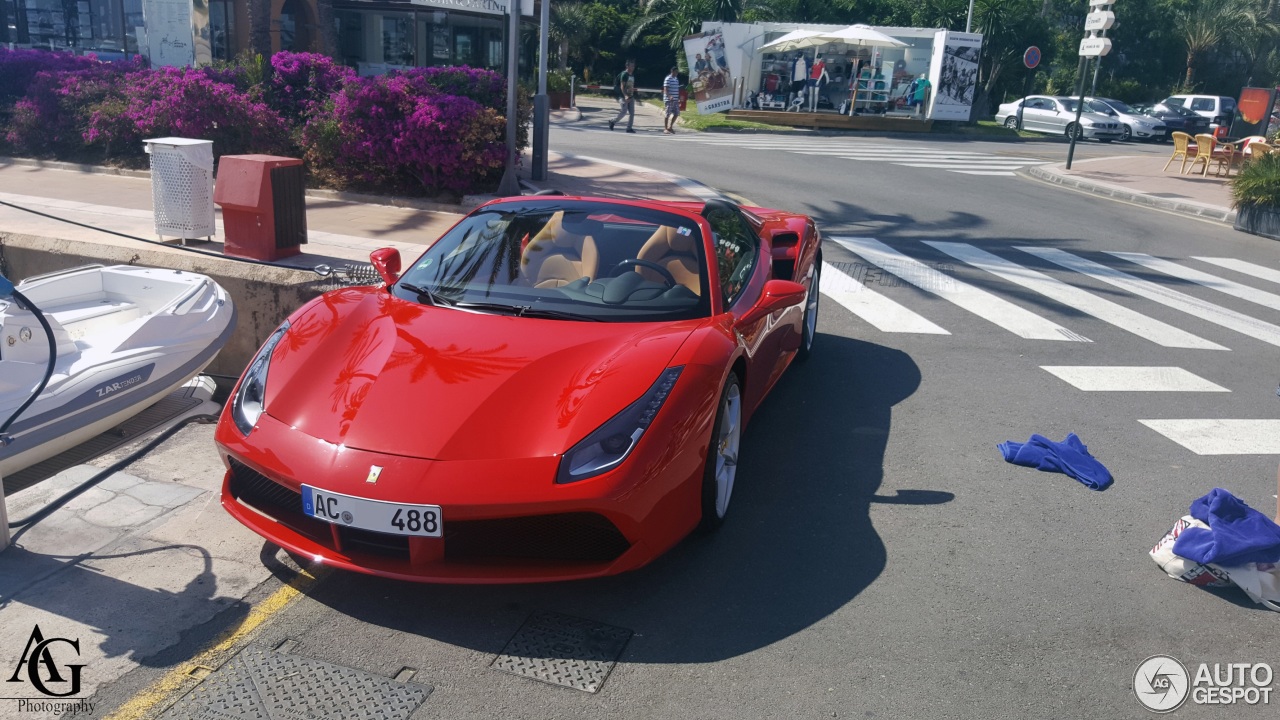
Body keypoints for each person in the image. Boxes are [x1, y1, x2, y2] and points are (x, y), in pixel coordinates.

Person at [609, 59, 637, 133]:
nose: (633, 67)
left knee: (632, 113)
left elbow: (630, 85)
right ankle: (612, 121)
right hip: (623, 96)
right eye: (631, 66)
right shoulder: (624, 74)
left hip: (631, 95)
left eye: (633, 66)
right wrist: (625, 96)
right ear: (627, 66)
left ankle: (629, 128)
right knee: (624, 112)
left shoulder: (632, 75)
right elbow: (622, 86)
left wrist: (632, 92)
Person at [662, 66, 681, 134]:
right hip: (669, 100)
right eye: (676, 72)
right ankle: (665, 128)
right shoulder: (668, 79)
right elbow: (665, 89)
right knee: (667, 114)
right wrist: (669, 96)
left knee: (676, 113)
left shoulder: (676, 79)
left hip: (675, 99)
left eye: (677, 72)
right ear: (672, 71)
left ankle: (670, 127)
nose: (677, 73)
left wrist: (678, 98)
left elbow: (677, 89)